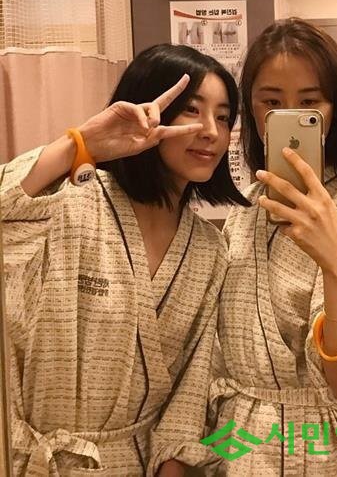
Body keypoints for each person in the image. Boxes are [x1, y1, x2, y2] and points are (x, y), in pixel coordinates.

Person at [150, 18, 337, 476]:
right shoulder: (246, 210)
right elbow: (213, 351)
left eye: (309, 102)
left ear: (334, 110)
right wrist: (182, 449)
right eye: (272, 102)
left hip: (329, 454)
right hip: (242, 448)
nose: (289, 115)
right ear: (251, 109)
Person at [0, 43, 249, 476]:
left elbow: (192, 385)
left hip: (139, 463)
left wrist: (172, 462)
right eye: (191, 110)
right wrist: (79, 144)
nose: (211, 130)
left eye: (224, 117)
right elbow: (7, 211)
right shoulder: (71, 202)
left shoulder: (209, 250)